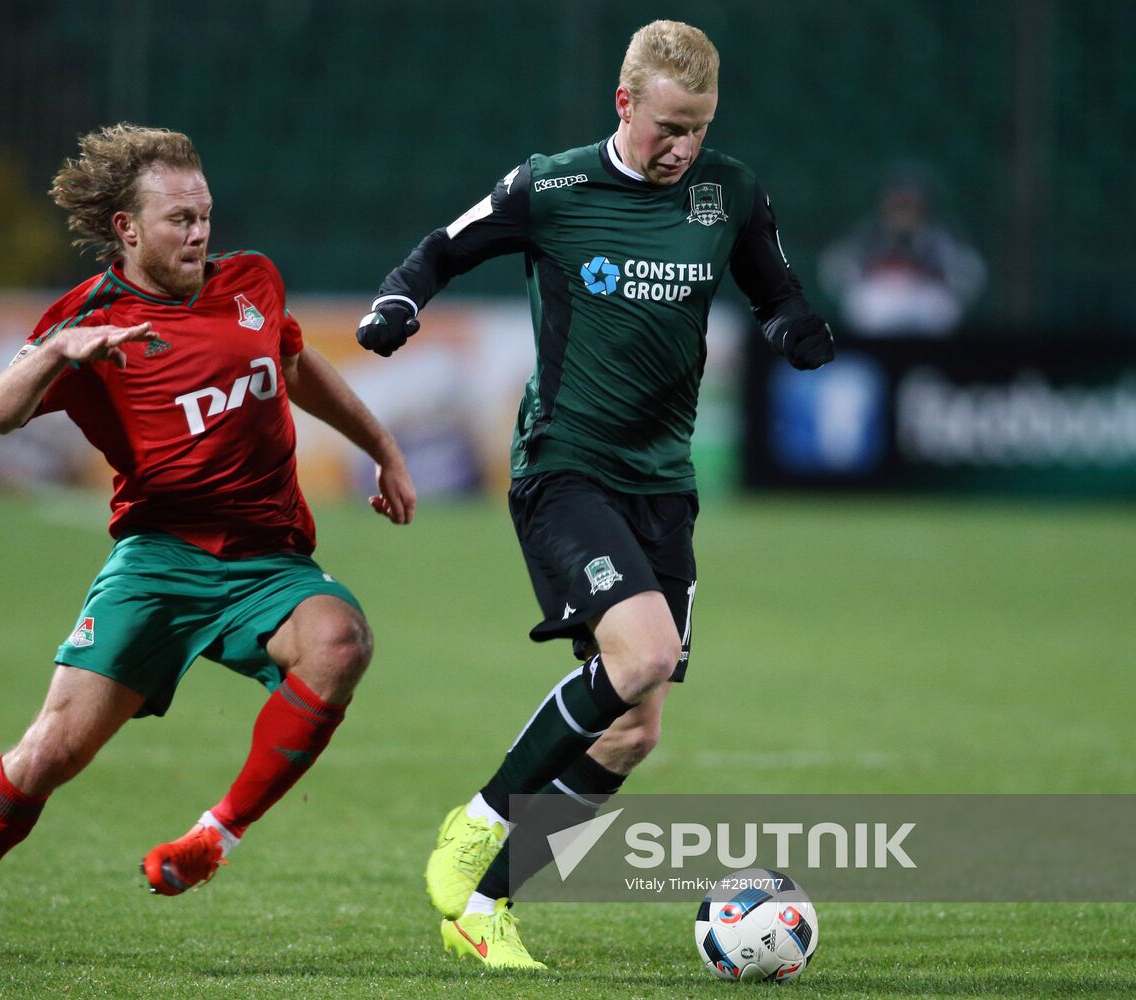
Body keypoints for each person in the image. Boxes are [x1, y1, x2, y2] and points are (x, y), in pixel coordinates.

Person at [357, 20, 833, 969]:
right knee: (645, 652)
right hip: (563, 466)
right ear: (624, 104)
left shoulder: (728, 192)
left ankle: (486, 909)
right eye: (666, 126)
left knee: (632, 732)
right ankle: (478, 819)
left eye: (697, 127)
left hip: (664, 483)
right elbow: (440, 250)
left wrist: (793, 328)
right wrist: (398, 303)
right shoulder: (554, 185)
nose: (682, 147)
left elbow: (772, 289)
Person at [0, 124, 417, 961]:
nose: (199, 233)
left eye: (204, 214)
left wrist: (385, 451)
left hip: (266, 560)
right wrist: (61, 350)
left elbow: (294, 367)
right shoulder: (91, 315)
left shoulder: (251, 283)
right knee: (51, 753)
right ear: (128, 230)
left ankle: (215, 837)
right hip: (158, 561)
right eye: (179, 219)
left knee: (340, 639)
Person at [818, 162, 986, 336]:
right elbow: (836, 274)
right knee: (865, 300)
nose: (905, 212)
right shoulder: (867, 235)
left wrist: (931, 266)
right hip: (879, 310)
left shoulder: (938, 238)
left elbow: (968, 277)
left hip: (925, 306)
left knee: (940, 302)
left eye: (910, 204)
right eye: (900, 204)